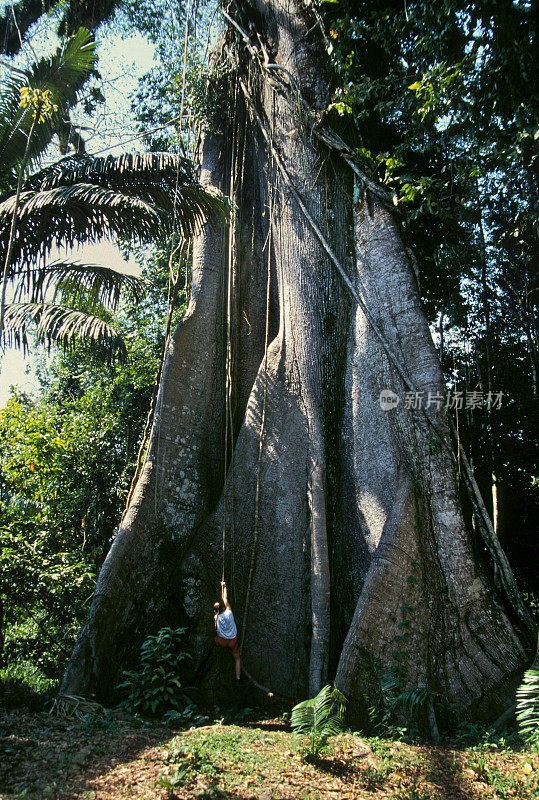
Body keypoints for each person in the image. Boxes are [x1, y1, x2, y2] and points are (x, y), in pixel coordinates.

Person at [213, 580, 241, 680]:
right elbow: (225, 598)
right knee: (237, 659)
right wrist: (224, 586)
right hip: (233, 640)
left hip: (222, 641)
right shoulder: (229, 612)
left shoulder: (216, 618)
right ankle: (238, 677)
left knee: (215, 639)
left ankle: (218, 651)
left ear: (215, 611)